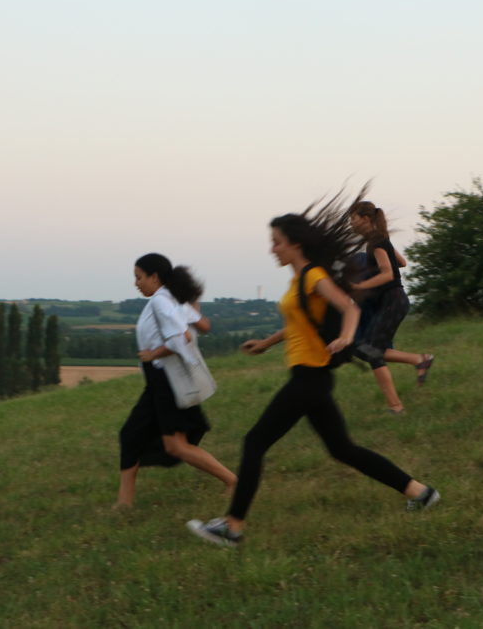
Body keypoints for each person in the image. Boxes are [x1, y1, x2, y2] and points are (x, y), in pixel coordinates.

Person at [186, 208, 440, 547]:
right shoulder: (299, 279)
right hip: (312, 378)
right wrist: (265, 344)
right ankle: (420, 492)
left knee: (255, 442)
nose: (272, 249)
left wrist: (348, 337)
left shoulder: (313, 275)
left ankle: (232, 526)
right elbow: (298, 323)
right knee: (343, 449)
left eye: (276, 242)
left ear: (295, 244)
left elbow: (349, 307)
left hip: (309, 379)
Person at [115, 253, 237, 509]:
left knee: (176, 446)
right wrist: (193, 310)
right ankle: (124, 503)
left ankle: (233, 482)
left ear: (154, 276)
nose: (136, 283)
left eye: (139, 277)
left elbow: (182, 339)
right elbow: (203, 325)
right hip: (159, 380)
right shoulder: (171, 299)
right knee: (131, 434)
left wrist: (154, 353)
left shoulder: (161, 301)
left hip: (165, 380)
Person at [348, 202, 434, 414]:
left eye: (353, 218)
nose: (351, 223)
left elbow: (388, 273)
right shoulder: (379, 239)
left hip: (392, 301)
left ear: (366, 219)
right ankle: (419, 360)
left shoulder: (375, 243)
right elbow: (402, 262)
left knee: (372, 352)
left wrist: (360, 286)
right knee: (368, 349)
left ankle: (396, 407)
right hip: (394, 301)